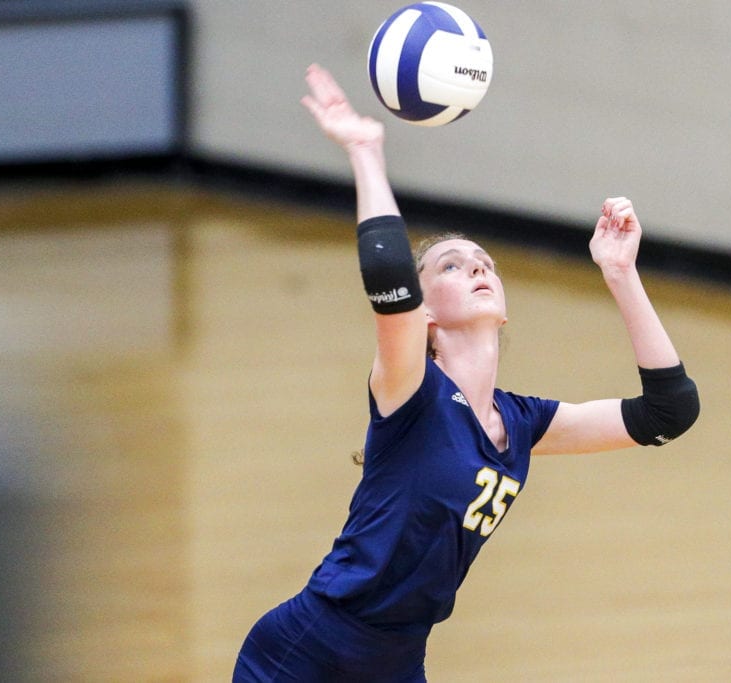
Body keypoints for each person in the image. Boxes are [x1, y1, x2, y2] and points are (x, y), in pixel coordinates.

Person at [233, 63, 700, 682]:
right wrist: (367, 153)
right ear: (424, 314)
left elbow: (669, 413)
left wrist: (620, 274)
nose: (478, 269)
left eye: (485, 263)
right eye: (452, 267)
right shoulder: (411, 393)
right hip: (310, 653)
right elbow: (389, 279)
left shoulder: (522, 422)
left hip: (399, 662)